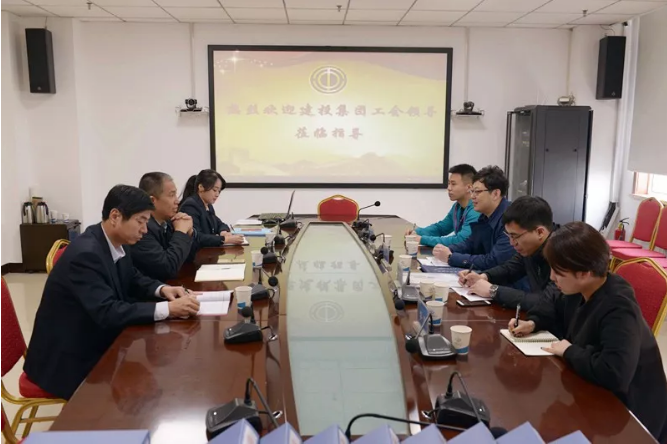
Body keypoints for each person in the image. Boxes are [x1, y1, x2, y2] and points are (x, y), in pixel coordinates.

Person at [23, 185, 201, 400]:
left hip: (94, 338)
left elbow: (132, 276)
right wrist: (169, 309)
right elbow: (108, 312)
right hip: (69, 359)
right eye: (141, 221)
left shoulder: (114, 240)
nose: (145, 230)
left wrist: (162, 290)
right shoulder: (85, 255)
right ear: (115, 216)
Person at [510, 222, 667, 443]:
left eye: (558, 272)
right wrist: (533, 322)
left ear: (584, 273)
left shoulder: (618, 306)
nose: (552, 278)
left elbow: (614, 373)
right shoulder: (582, 287)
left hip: (629, 415)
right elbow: (553, 303)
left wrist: (569, 351)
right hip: (594, 390)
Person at [458, 196, 555, 311]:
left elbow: (549, 302)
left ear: (540, 232)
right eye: (509, 236)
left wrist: (493, 290)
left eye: (515, 236)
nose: (512, 243)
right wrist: (484, 276)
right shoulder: (531, 248)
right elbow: (510, 268)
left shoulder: (562, 252)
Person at [433, 165, 515, 270]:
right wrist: (447, 249)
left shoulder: (511, 219)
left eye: (477, 192)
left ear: (495, 194)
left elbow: (494, 261)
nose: (472, 196)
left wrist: (451, 257)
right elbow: (470, 244)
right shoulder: (484, 216)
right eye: (472, 191)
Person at [130, 172, 199, 281]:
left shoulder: (169, 222)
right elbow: (167, 269)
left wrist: (189, 232)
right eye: (171, 195)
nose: (177, 201)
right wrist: (181, 232)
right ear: (152, 201)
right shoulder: (142, 230)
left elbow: (188, 259)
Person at [405, 164, 480, 248]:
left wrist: (422, 239)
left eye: (453, 184)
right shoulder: (457, 206)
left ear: (469, 187)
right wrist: (417, 232)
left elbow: (460, 240)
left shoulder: (476, 210)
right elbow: (441, 228)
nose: (449, 188)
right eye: (449, 183)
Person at [180, 169, 244, 248]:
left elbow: (219, 223)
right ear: (201, 187)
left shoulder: (208, 205)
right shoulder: (190, 206)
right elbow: (197, 236)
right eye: (214, 190)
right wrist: (225, 239)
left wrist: (223, 231)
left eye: (219, 191)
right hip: (197, 253)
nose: (217, 194)